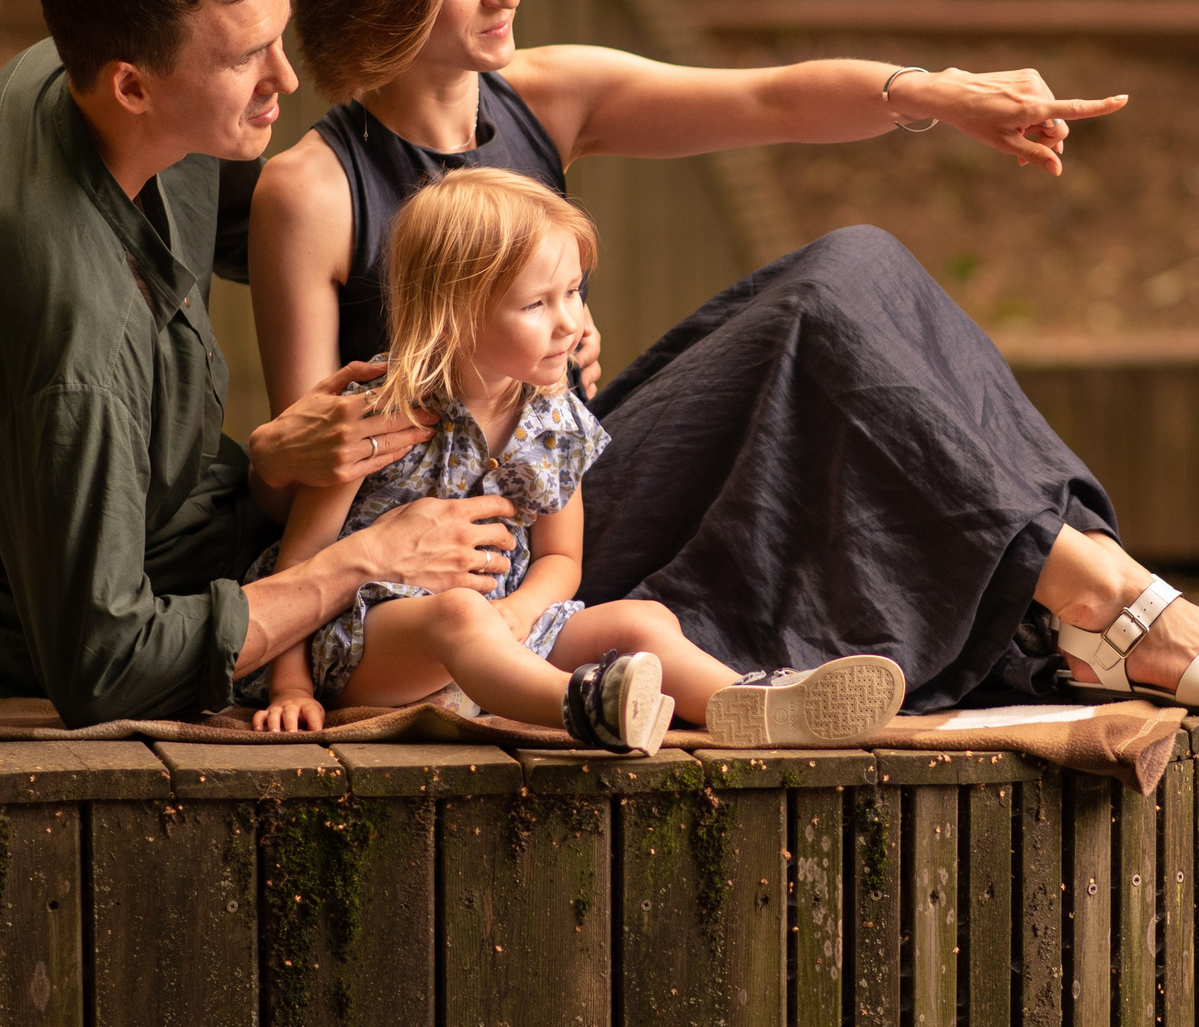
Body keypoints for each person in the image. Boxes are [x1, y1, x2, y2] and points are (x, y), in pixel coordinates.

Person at [249, 0, 1199, 713]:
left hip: (567, 504)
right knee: (830, 314)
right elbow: (311, 456)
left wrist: (932, 92)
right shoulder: (315, 188)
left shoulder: (545, 94)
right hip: (439, 567)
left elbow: (769, 97)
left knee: (853, 266)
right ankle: (1108, 607)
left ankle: (1093, 584)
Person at [0, 0, 529, 726]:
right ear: (132, 86)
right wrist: (358, 561)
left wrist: (525, 314)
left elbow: (304, 245)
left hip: (202, 517)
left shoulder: (113, 79)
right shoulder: (74, 333)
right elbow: (103, 662)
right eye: (244, 60)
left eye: (278, 36)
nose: (288, 78)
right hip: (79, 631)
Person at [241, 166, 907, 752]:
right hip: (371, 646)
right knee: (459, 616)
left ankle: (754, 704)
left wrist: (520, 612)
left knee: (640, 619)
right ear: (453, 314)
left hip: (506, 626)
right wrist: (291, 683)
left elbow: (561, 559)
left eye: (573, 291)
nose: (569, 321)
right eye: (537, 303)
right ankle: (583, 707)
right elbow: (303, 564)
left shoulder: (552, 417)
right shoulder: (373, 412)